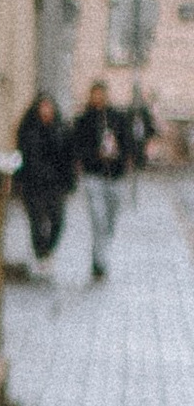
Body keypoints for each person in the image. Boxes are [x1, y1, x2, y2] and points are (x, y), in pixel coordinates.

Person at [73, 78, 129, 279]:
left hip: (115, 175)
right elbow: (77, 147)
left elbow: (127, 142)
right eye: (95, 94)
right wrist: (93, 156)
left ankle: (101, 251)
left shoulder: (117, 118)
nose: (98, 98)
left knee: (110, 219)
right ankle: (99, 261)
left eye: (101, 94)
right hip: (94, 175)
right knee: (98, 218)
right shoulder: (84, 120)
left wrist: (121, 157)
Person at [13, 93, 73, 270]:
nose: (46, 111)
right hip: (33, 183)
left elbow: (67, 157)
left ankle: (48, 250)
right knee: (37, 220)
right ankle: (40, 252)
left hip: (55, 184)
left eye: (49, 107)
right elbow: (22, 156)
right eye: (43, 107)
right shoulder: (28, 130)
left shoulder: (61, 129)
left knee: (57, 220)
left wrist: (68, 181)